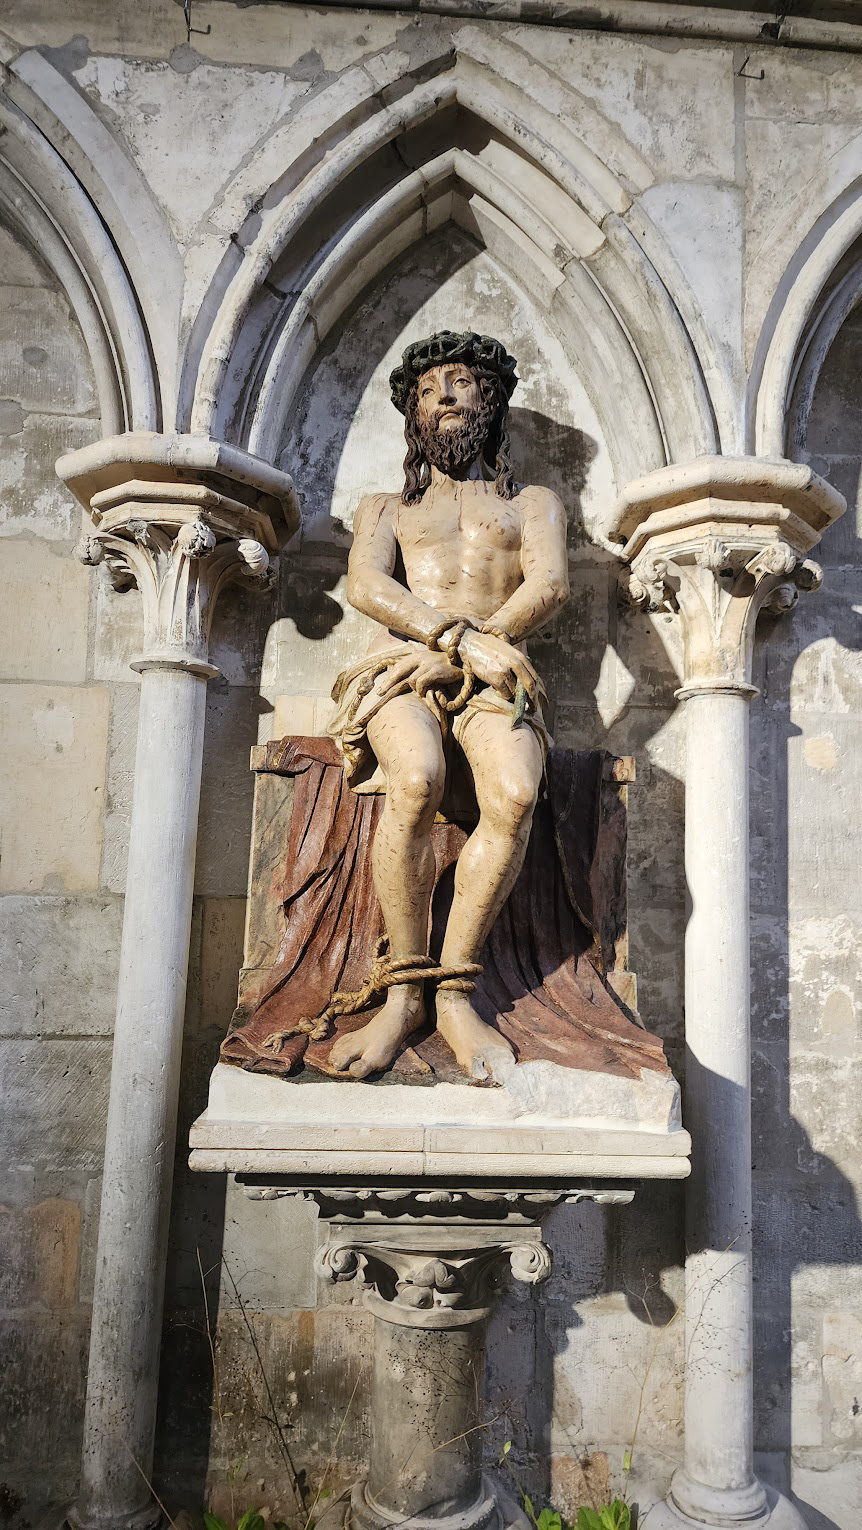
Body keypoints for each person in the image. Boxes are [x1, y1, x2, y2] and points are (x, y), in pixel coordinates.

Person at [326, 330, 569, 1079]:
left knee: (517, 791)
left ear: (490, 402)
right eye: (430, 389)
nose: (446, 398)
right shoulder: (384, 508)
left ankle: (455, 993)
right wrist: (453, 637)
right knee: (417, 778)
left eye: (461, 385)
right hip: (402, 668)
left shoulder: (532, 503)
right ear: (412, 413)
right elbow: (368, 587)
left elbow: (550, 583)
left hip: (494, 675)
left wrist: (480, 647)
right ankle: (402, 996)